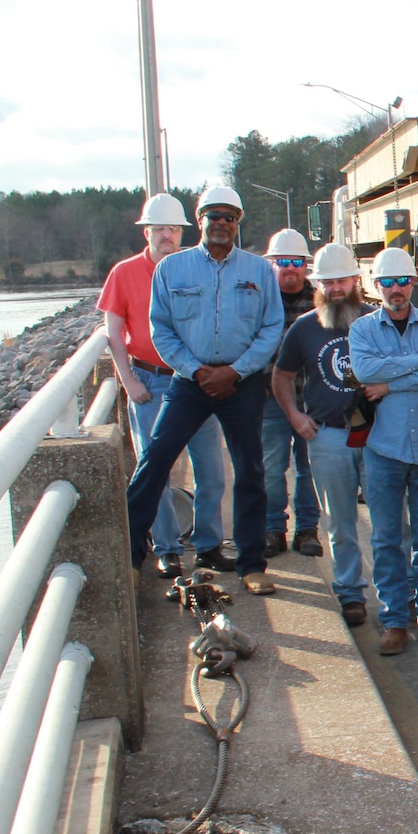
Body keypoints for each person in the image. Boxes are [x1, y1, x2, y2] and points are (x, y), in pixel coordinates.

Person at [125, 185, 285, 596]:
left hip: (242, 382)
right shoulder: (172, 270)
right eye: (213, 216)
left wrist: (236, 370)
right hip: (189, 382)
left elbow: (270, 329)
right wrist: (196, 371)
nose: (221, 224)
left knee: (250, 470)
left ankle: (251, 564)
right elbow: (160, 327)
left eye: (230, 217)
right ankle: (128, 555)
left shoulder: (259, 271)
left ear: (238, 223)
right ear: (200, 222)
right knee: (156, 458)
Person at [97, 192, 225, 578]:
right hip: (150, 381)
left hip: (197, 380)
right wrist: (128, 380)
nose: (166, 235)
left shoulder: (197, 268)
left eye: (173, 228)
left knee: (211, 471)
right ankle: (167, 549)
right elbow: (113, 331)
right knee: (156, 471)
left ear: (182, 232)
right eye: (159, 229)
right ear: (146, 232)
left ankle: (208, 546)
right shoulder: (124, 273)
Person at [349, 246, 418, 655]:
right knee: (387, 538)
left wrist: (391, 382)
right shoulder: (362, 330)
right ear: (375, 285)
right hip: (384, 450)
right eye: (388, 282)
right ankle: (395, 619)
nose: (396, 289)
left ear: (413, 282)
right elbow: (365, 372)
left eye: (403, 281)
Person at [271, 242, 374, 627]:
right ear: (319, 285)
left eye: (342, 280)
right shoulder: (304, 328)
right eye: (328, 282)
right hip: (328, 437)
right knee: (340, 520)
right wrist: (295, 416)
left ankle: (399, 592)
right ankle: (350, 592)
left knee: (389, 517)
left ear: (355, 281)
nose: (335, 288)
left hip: (374, 435)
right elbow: (281, 376)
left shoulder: (375, 320)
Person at [260, 228, 321, 559]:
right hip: (270, 400)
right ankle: (273, 529)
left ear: (306, 265)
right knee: (271, 467)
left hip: (312, 398)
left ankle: (307, 530)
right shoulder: (260, 303)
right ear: (272, 264)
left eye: (296, 261)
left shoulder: (320, 302)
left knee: (309, 467)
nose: (290, 268)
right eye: (283, 261)